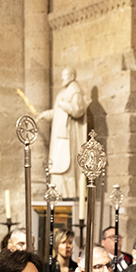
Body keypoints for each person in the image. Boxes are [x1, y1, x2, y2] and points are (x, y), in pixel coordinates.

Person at [38, 67, 87, 200]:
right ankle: (59, 192)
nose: (62, 78)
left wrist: (63, 105)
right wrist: (45, 115)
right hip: (60, 135)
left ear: (72, 77)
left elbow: (78, 110)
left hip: (69, 135)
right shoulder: (62, 93)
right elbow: (57, 112)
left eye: (65, 76)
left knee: (66, 164)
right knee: (58, 163)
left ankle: (70, 193)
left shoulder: (75, 90)